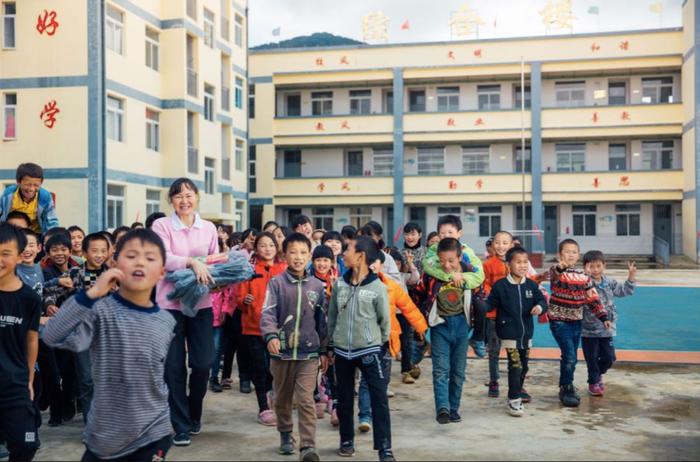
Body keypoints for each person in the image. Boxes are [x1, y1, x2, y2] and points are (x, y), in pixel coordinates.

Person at [43, 229, 176, 462]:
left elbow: (157, 379)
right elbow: (52, 335)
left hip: (152, 435)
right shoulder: (100, 311)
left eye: (150, 258)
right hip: (103, 439)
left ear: (162, 272)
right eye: (132, 255)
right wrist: (92, 293)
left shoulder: (165, 321)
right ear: (114, 263)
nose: (140, 263)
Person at [151, 178, 219, 446]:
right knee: (173, 367)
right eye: (178, 196)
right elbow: (162, 257)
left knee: (203, 363)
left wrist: (219, 277)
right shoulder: (162, 226)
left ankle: (194, 412)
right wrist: (191, 262)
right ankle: (179, 424)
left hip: (201, 304)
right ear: (171, 201)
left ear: (197, 197)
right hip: (169, 306)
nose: (184, 200)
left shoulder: (209, 228)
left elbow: (215, 260)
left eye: (189, 195)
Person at [261, 233, 328, 461]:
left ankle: (308, 446)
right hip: (281, 354)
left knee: (306, 399)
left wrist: (324, 350)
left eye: (302, 252)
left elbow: (322, 322)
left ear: (309, 255)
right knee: (282, 398)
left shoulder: (318, 286)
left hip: (308, 353)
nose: (298, 257)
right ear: (284, 255)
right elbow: (267, 312)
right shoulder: (276, 283)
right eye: (292, 252)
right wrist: (270, 335)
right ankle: (286, 433)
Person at [327, 236, 395, 461]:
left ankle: (384, 447)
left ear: (361, 256)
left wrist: (378, 344)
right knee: (345, 398)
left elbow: (385, 321)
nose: (344, 253)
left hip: (370, 351)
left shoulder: (377, 287)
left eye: (348, 249)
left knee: (379, 399)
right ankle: (346, 441)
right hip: (341, 352)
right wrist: (330, 344)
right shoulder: (339, 285)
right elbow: (332, 317)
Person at [357, 251, 427, 433]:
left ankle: (378, 413)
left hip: (387, 341)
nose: (371, 266)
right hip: (365, 342)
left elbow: (409, 308)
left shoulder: (391, 286)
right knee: (366, 380)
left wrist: (424, 329)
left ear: (382, 265)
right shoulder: (354, 286)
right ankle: (365, 416)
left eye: (375, 262)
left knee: (382, 380)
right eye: (367, 262)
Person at [414, 238, 476, 425]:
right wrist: (421, 320)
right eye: (442, 260)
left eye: (451, 261)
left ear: (459, 257)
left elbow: (480, 295)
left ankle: (453, 407)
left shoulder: (470, 273)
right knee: (441, 370)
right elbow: (418, 293)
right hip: (439, 326)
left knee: (458, 371)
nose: (446, 265)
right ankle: (442, 408)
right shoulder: (432, 274)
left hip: (461, 327)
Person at [487, 247, 547, 417]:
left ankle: (517, 389)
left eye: (525, 262)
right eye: (518, 262)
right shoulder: (501, 286)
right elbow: (489, 304)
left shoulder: (530, 285)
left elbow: (542, 300)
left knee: (524, 366)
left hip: (526, 334)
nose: (522, 265)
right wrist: (477, 307)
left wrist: (540, 307)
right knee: (516, 364)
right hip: (508, 333)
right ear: (508, 265)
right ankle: (514, 399)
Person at [548, 239, 608, 408]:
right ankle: (567, 388)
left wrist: (603, 317)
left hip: (576, 321)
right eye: (567, 251)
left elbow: (592, 298)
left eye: (574, 252)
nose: (571, 255)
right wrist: (560, 266)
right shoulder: (556, 271)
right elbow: (555, 274)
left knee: (570, 356)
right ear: (560, 255)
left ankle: (565, 385)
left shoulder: (584, 276)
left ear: (578, 255)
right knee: (570, 356)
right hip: (559, 321)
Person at [236, 232, 287, 425]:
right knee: (259, 367)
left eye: (271, 245)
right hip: (253, 327)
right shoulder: (248, 269)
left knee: (276, 368)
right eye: (263, 245)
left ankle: (272, 395)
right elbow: (238, 299)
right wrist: (244, 300)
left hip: (278, 328)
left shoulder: (284, 269)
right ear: (256, 248)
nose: (267, 249)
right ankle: (263, 408)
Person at [0, 223, 41, 462]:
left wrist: (29, 380)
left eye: (5, 253)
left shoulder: (29, 298)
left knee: (25, 445)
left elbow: (31, 338)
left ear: (19, 255)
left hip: (14, 385)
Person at [582, 251, 636, 397]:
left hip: (607, 329)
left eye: (598, 265)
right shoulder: (582, 283)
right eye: (591, 266)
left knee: (609, 358)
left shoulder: (609, 282)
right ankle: (593, 382)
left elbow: (624, 291)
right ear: (585, 267)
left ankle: (597, 374)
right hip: (588, 329)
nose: (595, 269)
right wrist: (585, 277)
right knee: (591, 358)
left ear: (604, 266)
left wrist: (630, 277)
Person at [480, 231, 515, 398]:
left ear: (511, 245)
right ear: (493, 245)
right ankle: (494, 380)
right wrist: (495, 295)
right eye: (498, 242)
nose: (501, 246)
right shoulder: (487, 264)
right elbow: (483, 285)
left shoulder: (517, 263)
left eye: (505, 243)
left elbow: (527, 281)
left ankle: (516, 383)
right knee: (494, 350)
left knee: (513, 350)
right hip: (494, 315)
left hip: (512, 315)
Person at [0, 163, 59, 234]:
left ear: (41, 183)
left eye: (36, 185)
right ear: (18, 182)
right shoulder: (9, 194)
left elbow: (52, 222)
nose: (31, 189)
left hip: (35, 234)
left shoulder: (45, 197)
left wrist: (51, 238)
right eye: (27, 184)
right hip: (12, 233)